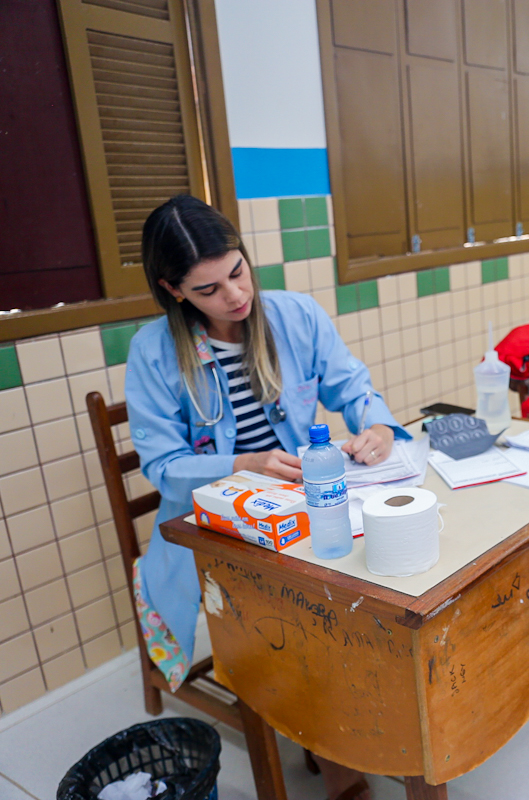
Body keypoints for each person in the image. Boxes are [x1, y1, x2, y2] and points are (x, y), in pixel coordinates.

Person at [125, 195, 408, 800]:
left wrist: (377, 426)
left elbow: (351, 385)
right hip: (213, 524)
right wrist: (242, 463)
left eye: (237, 272)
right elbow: (163, 467)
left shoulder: (295, 316)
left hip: (304, 505)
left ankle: (362, 725)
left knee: (376, 587)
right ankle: (340, 764)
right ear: (173, 290)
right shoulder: (154, 353)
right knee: (309, 614)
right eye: (208, 289)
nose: (233, 296)